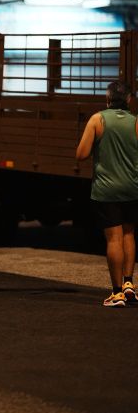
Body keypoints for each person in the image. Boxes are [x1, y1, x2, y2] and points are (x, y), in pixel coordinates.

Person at [76, 81, 138, 307]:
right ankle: (129, 284)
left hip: (107, 189)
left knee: (114, 238)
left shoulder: (97, 120)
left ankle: (117, 292)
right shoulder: (136, 122)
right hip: (132, 187)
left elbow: (81, 154)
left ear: (107, 98)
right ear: (129, 99)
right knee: (129, 235)